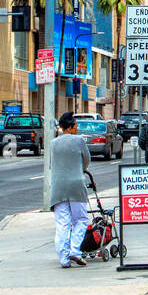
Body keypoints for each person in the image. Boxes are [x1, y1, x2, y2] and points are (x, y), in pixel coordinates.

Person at [50, 111, 91, 268]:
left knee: (62, 223)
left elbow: (51, 165)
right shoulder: (79, 140)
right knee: (80, 219)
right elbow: (86, 160)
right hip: (76, 186)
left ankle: (64, 259)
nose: (77, 129)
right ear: (71, 127)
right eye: (76, 126)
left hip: (58, 188)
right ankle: (75, 250)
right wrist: (80, 169)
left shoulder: (53, 143)